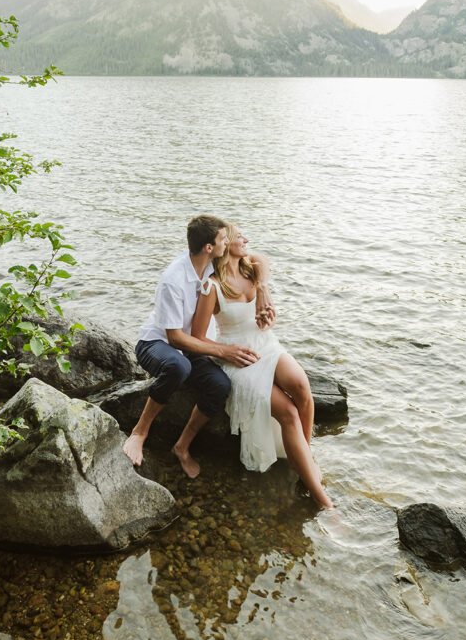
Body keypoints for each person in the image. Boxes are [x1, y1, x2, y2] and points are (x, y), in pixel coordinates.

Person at [191, 225, 333, 508]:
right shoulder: (212, 286)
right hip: (238, 355)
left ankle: (305, 458)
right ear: (225, 243)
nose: (246, 239)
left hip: (265, 343)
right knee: (289, 414)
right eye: (239, 235)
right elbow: (197, 336)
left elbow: (263, 259)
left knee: (303, 388)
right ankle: (323, 500)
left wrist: (267, 312)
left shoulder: (251, 269)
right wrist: (225, 351)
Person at [122, 215, 275, 477]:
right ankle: (140, 431)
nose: (228, 243)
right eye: (223, 240)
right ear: (209, 247)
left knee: (220, 385)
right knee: (177, 365)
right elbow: (175, 339)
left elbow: (259, 258)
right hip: (156, 344)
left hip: (194, 346)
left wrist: (262, 289)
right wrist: (223, 351)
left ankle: (182, 447)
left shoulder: (213, 263)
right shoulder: (174, 279)